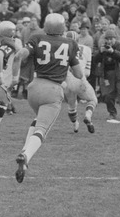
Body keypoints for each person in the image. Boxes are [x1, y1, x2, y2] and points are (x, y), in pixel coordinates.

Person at [11, 13, 84, 183]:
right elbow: (79, 73)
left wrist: (14, 78)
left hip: (34, 88)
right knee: (42, 129)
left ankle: (24, 150)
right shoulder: (70, 43)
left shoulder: (36, 37)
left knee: (37, 120)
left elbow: (19, 55)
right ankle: (26, 156)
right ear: (62, 27)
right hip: (52, 89)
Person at [61, 31, 98, 133]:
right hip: (80, 80)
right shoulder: (86, 49)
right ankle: (88, 116)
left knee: (72, 107)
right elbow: (87, 72)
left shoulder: (61, 49)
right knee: (93, 100)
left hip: (67, 81)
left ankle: (75, 125)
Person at [97, 27, 120, 122]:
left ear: (115, 38)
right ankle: (112, 113)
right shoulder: (103, 46)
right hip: (108, 74)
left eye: (111, 38)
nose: (109, 41)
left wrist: (112, 52)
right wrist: (100, 52)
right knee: (107, 94)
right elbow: (96, 59)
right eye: (107, 39)